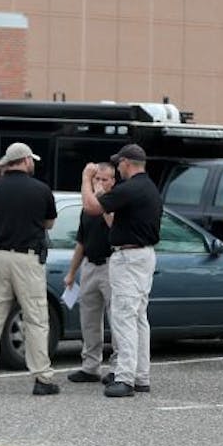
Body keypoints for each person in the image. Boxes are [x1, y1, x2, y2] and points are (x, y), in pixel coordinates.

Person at [0, 142, 58, 396]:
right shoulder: (41, 189)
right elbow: (49, 223)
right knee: (36, 318)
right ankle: (41, 377)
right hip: (27, 259)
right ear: (26, 160)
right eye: (32, 160)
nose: (33, 164)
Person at [81, 143, 162, 398]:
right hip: (144, 255)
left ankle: (125, 378)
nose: (118, 168)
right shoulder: (149, 188)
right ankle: (141, 376)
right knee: (139, 317)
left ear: (127, 163)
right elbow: (112, 219)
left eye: (119, 164)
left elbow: (92, 208)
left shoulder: (130, 188)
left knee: (124, 316)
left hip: (128, 257)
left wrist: (86, 179)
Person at [65, 162, 116, 383]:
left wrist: (102, 200)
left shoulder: (115, 203)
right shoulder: (86, 209)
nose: (100, 183)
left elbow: (114, 225)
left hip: (110, 265)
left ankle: (117, 367)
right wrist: (72, 271)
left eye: (105, 179)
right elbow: (81, 242)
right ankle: (90, 365)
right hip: (89, 266)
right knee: (89, 319)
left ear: (113, 182)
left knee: (116, 319)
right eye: (97, 179)